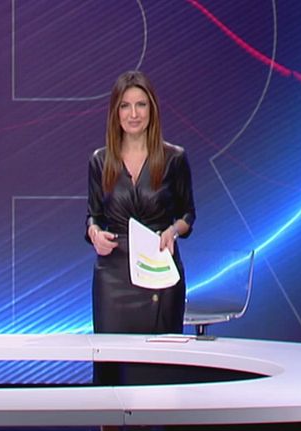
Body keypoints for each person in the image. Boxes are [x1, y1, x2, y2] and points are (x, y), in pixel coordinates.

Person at [86, 71, 195, 384]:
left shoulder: (174, 158)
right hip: (113, 277)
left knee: (158, 375)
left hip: (159, 272)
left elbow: (188, 215)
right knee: (112, 375)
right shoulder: (100, 160)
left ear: (152, 110)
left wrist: (173, 231)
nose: (133, 114)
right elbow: (92, 216)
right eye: (125, 106)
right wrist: (94, 233)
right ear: (115, 112)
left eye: (141, 105)